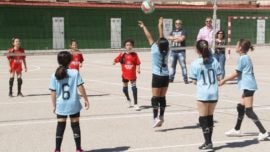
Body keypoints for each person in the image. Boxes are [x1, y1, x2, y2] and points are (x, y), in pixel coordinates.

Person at [219, 39, 269, 141]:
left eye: (237, 45)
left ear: (240, 48)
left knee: (249, 111)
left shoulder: (243, 58)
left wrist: (224, 80)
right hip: (247, 85)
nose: (235, 47)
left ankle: (263, 132)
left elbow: (236, 73)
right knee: (240, 107)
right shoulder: (244, 57)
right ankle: (237, 129)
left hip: (249, 86)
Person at [49, 51, 90, 152]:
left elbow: (53, 92)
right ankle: (78, 148)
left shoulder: (54, 74)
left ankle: (57, 149)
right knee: (75, 125)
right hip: (73, 103)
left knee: (60, 126)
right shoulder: (75, 72)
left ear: (58, 61)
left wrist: (54, 105)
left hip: (61, 104)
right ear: (70, 61)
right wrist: (86, 99)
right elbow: (80, 87)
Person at [189, 40, 221, 151]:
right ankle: (208, 141)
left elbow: (193, 81)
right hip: (214, 92)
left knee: (203, 118)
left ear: (197, 50)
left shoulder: (195, 63)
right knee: (210, 117)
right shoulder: (215, 61)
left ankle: (208, 143)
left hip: (203, 93)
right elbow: (219, 77)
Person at [138, 17, 169, 128]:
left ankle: (155, 118)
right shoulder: (166, 49)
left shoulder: (155, 49)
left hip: (157, 76)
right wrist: (160, 25)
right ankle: (161, 116)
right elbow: (162, 38)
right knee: (162, 97)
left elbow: (149, 36)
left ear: (158, 44)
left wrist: (143, 26)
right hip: (166, 76)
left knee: (155, 98)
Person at [113, 39, 141, 111]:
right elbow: (116, 59)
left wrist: (138, 69)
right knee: (124, 89)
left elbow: (138, 63)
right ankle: (128, 99)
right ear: (125, 46)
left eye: (130, 45)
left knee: (134, 88)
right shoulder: (122, 54)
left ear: (132, 46)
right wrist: (114, 62)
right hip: (124, 74)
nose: (129, 46)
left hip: (132, 75)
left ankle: (135, 104)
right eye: (127, 45)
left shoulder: (134, 55)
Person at [167, 19, 188, 84]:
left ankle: (185, 78)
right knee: (172, 66)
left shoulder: (183, 31)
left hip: (181, 51)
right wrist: (176, 38)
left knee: (183, 65)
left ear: (181, 24)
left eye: (179, 23)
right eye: (176, 23)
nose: (177, 24)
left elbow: (182, 39)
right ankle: (171, 78)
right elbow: (169, 37)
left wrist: (174, 38)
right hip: (173, 51)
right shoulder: (172, 31)